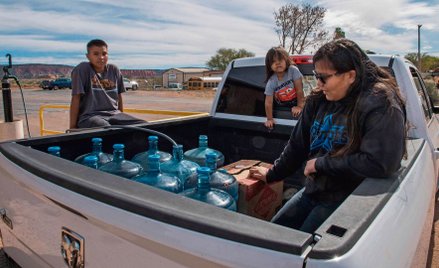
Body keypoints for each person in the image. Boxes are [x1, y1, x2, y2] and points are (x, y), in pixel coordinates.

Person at [250, 39, 407, 233]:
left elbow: (380, 162)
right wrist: (272, 175)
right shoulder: (319, 99)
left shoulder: (379, 103)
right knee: (272, 235)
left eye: (324, 77)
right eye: (317, 76)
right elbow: (297, 145)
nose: (319, 83)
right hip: (313, 191)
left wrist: (320, 164)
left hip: (346, 200)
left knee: (300, 248)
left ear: (350, 75)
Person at [69, 39, 145, 129]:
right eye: (96, 54)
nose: (101, 57)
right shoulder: (82, 69)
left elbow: (119, 96)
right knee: (107, 130)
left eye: (104, 54)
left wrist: (121, 116)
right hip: (90, 116)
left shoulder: (114, 70)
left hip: (114, 114)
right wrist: (72, 127)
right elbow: (76, 97)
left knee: (144, 126)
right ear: (88, 56)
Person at [264, 46, 305, 129]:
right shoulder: (271, 81)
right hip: (282, 107)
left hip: (297, 101)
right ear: (269, 65)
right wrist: (269, 119)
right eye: (273, 61)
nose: (278, 63)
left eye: (280, 60)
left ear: (286, 60)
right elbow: (268, 102)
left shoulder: (293, 70)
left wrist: (300, 106)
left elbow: (299, 90)